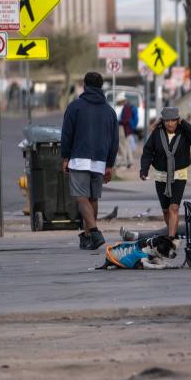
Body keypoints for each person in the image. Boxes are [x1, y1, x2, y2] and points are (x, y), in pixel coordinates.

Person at [60, 72, 118, 251]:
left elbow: (67, 134)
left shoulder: (75, 107)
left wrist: (65, 157)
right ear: (101, 87)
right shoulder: (109, 111)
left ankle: (94, 232)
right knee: (93, 197)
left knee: (81, 197)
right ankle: (87, 237)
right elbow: (114, 140)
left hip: (79, 158)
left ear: (85, 85)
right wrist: (109, 164)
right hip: (100, 160)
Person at [139, 107, 191, 238]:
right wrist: (144, 170)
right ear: (163, 121)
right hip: (161, 175)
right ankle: (171, 232)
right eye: (167, 121)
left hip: (179, 174)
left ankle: (172, 238)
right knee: (166, 209)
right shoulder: (157, 133)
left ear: (177, 120)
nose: (170, 123)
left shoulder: (184, 132)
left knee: (174, 208)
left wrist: (184, 123)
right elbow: (148, 151)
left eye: (173, 120)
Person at [116, 97, 135, 168]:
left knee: (122, 146)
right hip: (128, 129)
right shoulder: (129, 107)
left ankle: (124, 162)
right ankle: (130, 162)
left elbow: (125, 119)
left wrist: (119, 122)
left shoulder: (126, 108)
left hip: (123, 129)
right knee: (127, 145)